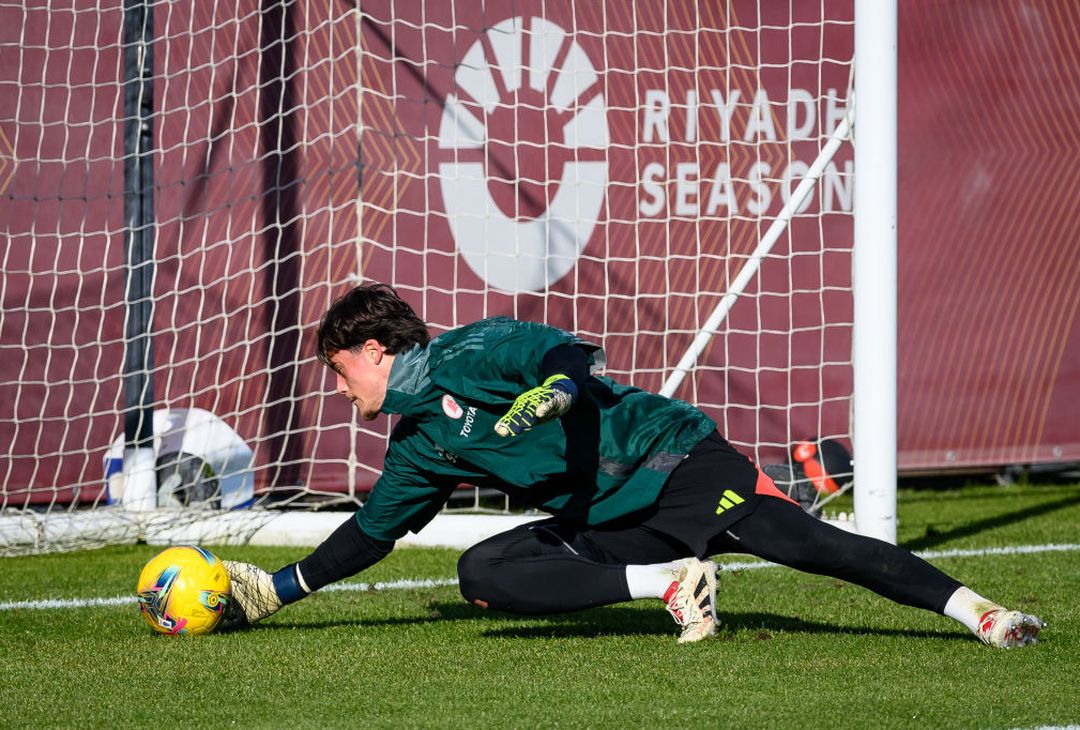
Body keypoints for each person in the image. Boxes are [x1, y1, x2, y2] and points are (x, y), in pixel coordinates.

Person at [222, 283, 1044, 648]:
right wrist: (276, 590)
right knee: (484, 571)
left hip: (674, 462)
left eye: (339, 370)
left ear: (373, 350)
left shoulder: (471, 349)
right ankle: (673, 586)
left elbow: (566, 355)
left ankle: (979, 613)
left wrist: (552, 391)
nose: (338, 389)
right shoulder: (418, 444)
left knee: (816, 548)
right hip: (612, 524)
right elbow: (371, 535)